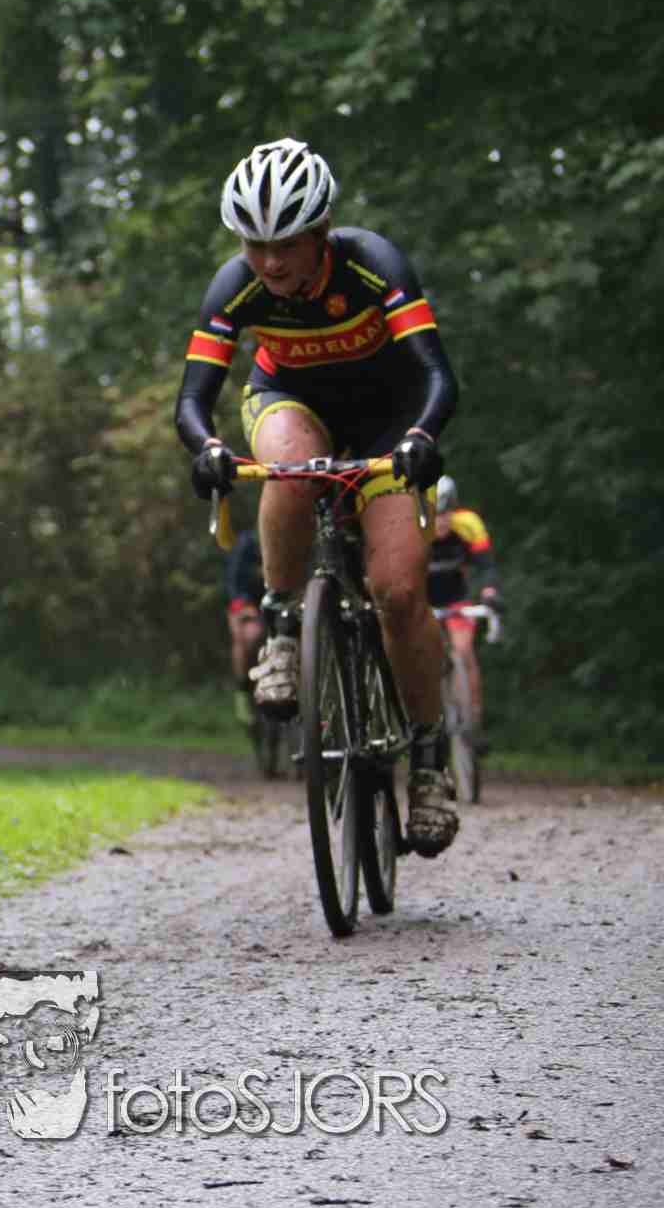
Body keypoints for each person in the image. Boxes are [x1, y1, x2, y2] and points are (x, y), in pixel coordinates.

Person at [175, 138, 464, 853]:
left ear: (322, 232)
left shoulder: (374, 264)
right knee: (291, 468)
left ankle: (429, 761)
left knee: (398, 593)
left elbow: (437, 375)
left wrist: (422, 436)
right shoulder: (235, 285)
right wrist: (207, 448)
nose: (270, 263)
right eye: (255, 244)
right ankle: (283, 628)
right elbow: (193, 400)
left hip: (389, 417)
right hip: (290, 402)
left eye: (286, 244)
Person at [424, 474, 504, 733]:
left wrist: (489, 591)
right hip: (423, 603)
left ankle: (473, 718)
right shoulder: (414, 531)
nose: (441, 521)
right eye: (435, 515)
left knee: (463, 650)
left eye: (446, 514)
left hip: (456, 599)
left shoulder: (468, 525)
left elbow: (486, 565)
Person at [222, 522, 265, 701]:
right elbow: (233, 581)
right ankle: (242, 689)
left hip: (271, 605)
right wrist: (243, 606)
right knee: (249, 636)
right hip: (244, 604)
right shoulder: (246, 544)